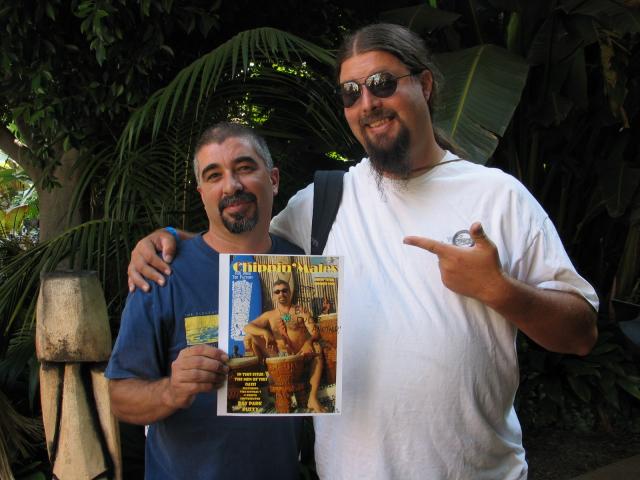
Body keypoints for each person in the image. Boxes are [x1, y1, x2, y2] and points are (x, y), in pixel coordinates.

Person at [127, 24, 598, 480]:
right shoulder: (323, 202)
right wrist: (167, 239)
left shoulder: (497, 196)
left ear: (425, 85)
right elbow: (236, 238)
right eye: (351, 93)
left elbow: (581, 334)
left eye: (382, 83)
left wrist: (499, 290)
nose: (367, 103)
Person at [105, 122, 303, 479]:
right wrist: (171, 391)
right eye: (214, 176)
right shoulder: (162, 273)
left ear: (273, 179)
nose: (231, 185)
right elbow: (119, 396)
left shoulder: (302, 264)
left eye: (244, 167)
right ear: (202, 194)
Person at [244, 279, 326, 413]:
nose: (281, 294)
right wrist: (264, 332)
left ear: (290, 292)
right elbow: (247, 327)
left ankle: (312, 397)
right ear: (273, 296)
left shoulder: (300, 311)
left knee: (317, 346)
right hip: (279, 356)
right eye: (277, 292)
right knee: (249, 337)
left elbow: (315, 333)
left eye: (284, 290)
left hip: (300, 355)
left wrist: (308, 342)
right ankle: (262, 386)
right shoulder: (269, 315)